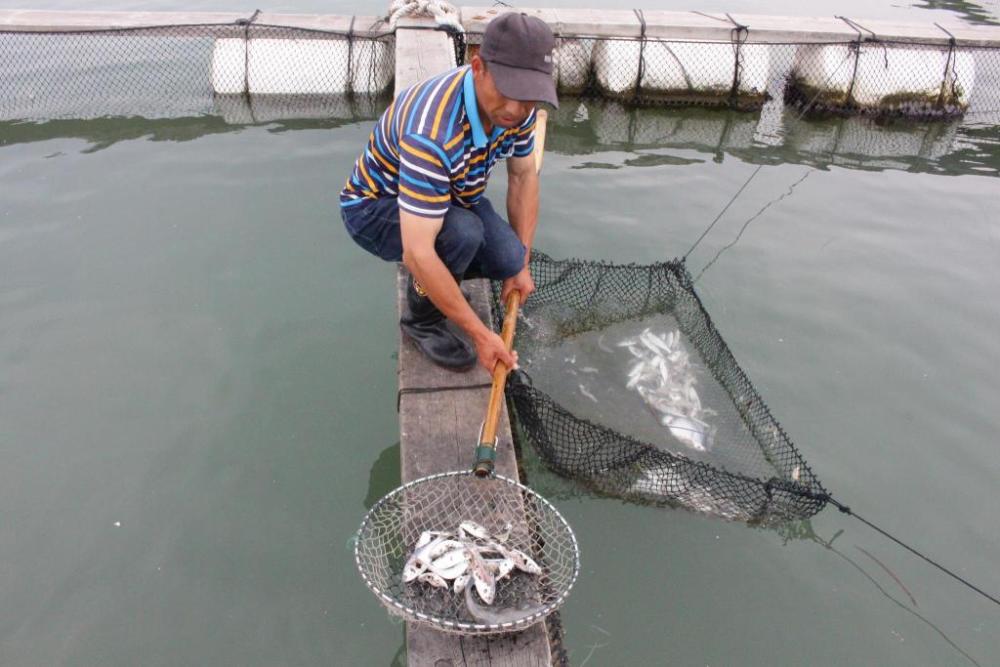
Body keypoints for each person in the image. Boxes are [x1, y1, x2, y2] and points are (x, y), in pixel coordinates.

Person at [340, 12, 558, 372]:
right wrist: (479, 334)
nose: (516, 109)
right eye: (507, 91)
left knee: (508, 257)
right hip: (375, 207)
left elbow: (523, 177)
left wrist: (522, 264)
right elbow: (418, 251)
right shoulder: (431, 132)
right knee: (461, 235)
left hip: (455, 194)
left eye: (529, 96)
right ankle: (421, 319)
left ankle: (446, 280)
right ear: (478, 68)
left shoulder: (520, 112)